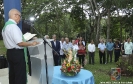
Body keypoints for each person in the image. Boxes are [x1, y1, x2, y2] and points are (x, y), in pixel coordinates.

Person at [2, 9, 38, 84]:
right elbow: (20, 43)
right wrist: (31, 44)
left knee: (13, 75)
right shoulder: (13, 26)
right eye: (19, 16)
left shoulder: (5, 27)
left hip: (10, 53)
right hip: (17, 53)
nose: (20, 19)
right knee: (20, 75)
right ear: (15, 15)